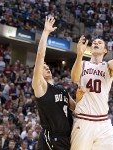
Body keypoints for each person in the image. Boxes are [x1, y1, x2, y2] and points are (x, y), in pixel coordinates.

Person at [70, 15, 113, 150]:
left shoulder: (108, 67)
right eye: (94, 42)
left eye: (99, 42)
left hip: (103, 122)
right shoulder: (83, 64)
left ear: (105, 50)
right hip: (83, 120)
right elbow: (74, 78)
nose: (95, 43)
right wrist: (79, 55)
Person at [32, 16, 76, 150]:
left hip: (67, 138)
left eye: (47, 67)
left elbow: (76, 108)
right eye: (43, 67)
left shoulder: (62, 89)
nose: (46, 68)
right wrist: (45, 32)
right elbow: (40, 56)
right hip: (51, 139)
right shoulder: (40, 87)